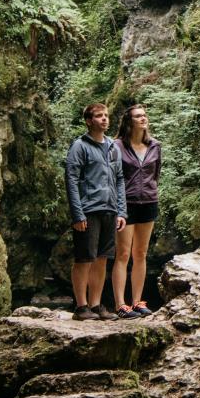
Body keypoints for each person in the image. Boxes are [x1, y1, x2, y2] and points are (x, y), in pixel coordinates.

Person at [63, 102, 125, 321]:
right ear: (89, 121)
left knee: (102, 259)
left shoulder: (112, 147)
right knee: (84, 259)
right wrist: (77, 214)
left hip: (109, 209)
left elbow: (119, 180)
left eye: (106, 115)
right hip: (88, 210)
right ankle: (81, 306)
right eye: (99, 116)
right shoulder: (80, 146)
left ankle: (96, 304)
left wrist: (121, 211)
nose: (104, 119)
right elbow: (71, 180)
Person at [114, 102, 162, 317]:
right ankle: (120, 304)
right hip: (125, 204)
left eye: (144, 115)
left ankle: (138, 302)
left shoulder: (155, 146)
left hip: (149, 203)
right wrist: (116, 207)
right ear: (129, 121)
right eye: (138, 116)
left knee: (141, 253)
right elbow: (112, 177)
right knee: (123, 254)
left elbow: (155, 174)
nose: (143, 119)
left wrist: (151, 191)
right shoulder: (117, 146)